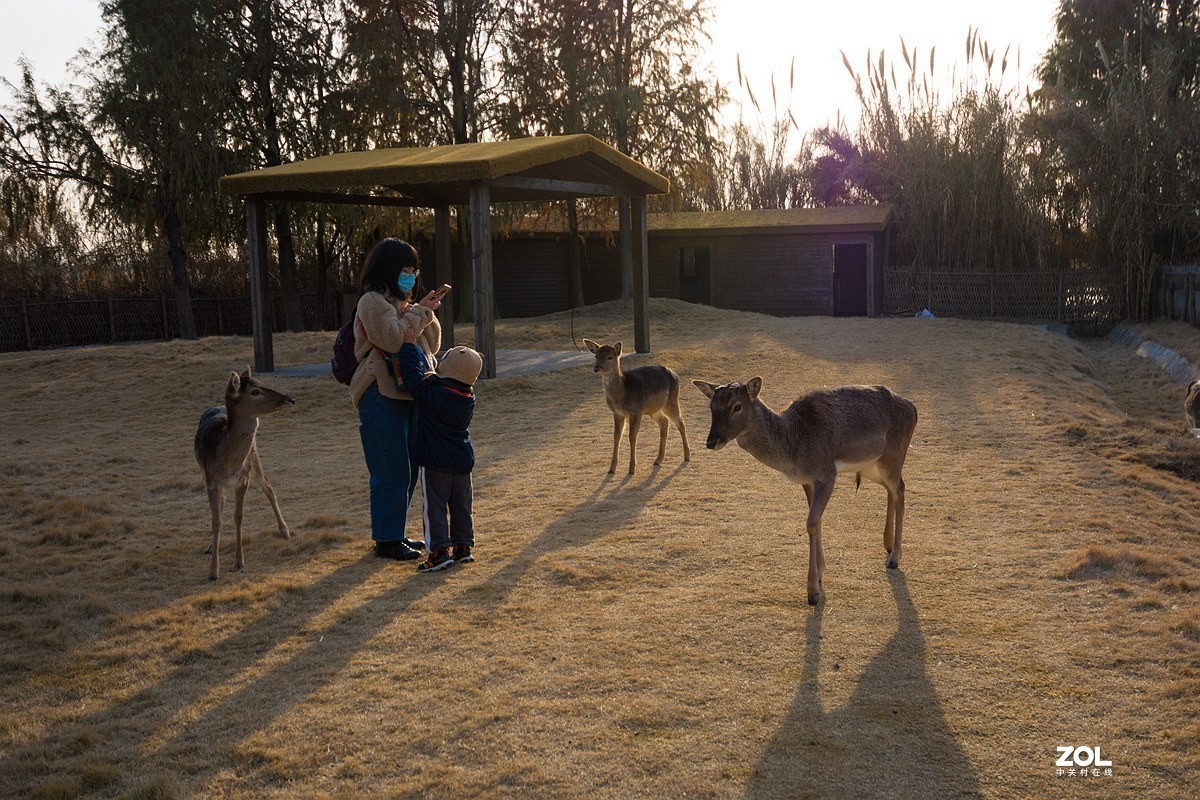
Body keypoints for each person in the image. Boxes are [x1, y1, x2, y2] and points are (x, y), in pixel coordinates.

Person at [349, 238, 445, 560]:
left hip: (408, 391)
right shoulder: (372, 302)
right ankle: (387, 540)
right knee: (391, 468)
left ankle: (395, 533)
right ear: (389, 270)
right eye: (405, 271)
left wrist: (424, 312)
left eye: (414, 271)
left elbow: (430, 342)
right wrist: (419, 312)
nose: (411, 277)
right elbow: (392, 340)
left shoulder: (405, 305)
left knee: (409, 467)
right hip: (380, 390)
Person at [399, 326, 482, 572]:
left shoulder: (431, 392)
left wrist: (409, 344)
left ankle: (438, 552)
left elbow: (413, 376)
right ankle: (462, 546)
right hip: (462, 461)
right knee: (461, 506)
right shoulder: (468, 398)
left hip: (436, 463)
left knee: (434, 507)